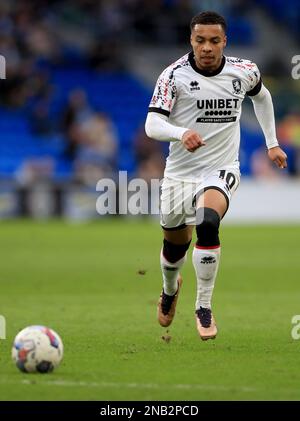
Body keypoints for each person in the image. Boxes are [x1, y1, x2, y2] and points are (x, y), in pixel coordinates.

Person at [145, 11, 287, 340]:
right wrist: (181, 134)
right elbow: (151, 124)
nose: (207, 47)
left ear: (225, 41)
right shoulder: (173, 76)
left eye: (213, 41)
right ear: (191, 41)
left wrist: (272, 143)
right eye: (200, 40)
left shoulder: (245, 71)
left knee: (208, 222)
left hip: (221, 169)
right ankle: (169, 288)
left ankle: (203, 306)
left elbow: (262, 97)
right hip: (180, 174)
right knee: (174, 248)